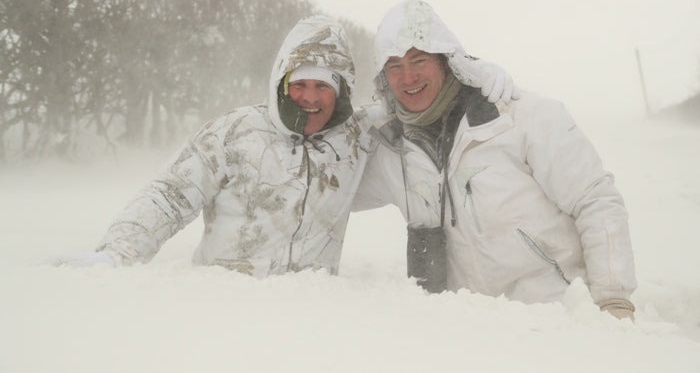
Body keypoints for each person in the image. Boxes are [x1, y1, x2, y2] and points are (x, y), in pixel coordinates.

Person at [47, 14, 514, 276]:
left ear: (342, 91)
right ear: (281, 82)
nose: (310, 99)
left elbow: (413, 94)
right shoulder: (236, 132)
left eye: (323, 88)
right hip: (221, 307)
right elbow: (168, 196)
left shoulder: (355, 137)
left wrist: (469, 72)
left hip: (305, 321)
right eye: (300, 85)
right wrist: (116, 252)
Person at [354, 0, 637, 319]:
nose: (408, 77)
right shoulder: (392, 152)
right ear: (383, 78)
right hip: (479, 334)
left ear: (446, 60)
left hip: (560, 319)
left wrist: (613, 300)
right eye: (394, 66)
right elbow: (328, 192)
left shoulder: (523, 117)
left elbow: (595, 200)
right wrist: (351, 125)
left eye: (418, 60)